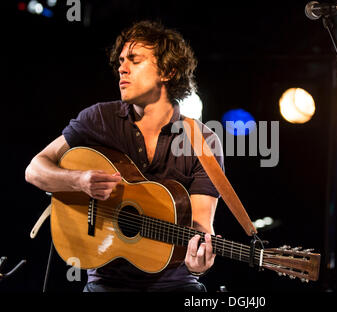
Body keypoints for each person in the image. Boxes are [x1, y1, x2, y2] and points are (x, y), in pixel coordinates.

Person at [25, 20, 224, 292]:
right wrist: (78, 180)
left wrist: (197, 262)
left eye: (134, 60)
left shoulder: (203, 141)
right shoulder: (100, 119)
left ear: (168, 71)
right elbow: (35, 170)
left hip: (175, 284)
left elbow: (202, 226)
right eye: (120, 60)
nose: (122, 68)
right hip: (105, 283)